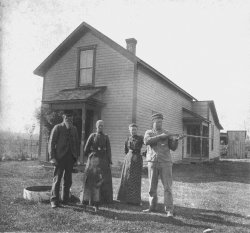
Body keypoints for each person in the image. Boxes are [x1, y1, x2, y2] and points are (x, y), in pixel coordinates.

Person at [143, 113, 182, 217]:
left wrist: (176, 141)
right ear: (153, 122)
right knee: (152, 186)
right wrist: (160, 137)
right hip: (152, 162)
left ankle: (169, 209)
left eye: (161, 121)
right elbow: (147, 141)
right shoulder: (149, 132)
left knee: (168, 187)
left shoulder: (167, 133)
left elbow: (173, 148)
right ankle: (152, 206)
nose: (159, 123)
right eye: (157, 121)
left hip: (165, 162)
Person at [48, 110, 79, 208]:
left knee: (68, 180)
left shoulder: (74, 129)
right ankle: (54, 201)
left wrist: (76, 157)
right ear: (64, 118)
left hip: (70, 158)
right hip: (59, 158)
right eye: (67, 119)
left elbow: (76, 144)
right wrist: (52, 157)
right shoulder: (58, 128)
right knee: (57, 180)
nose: (69, 121)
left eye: (71, 119)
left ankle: (65, 199)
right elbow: (51, 143)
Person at [83, 120, 113, 204]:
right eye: (99, 125)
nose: (100, 127)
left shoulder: (106, 137)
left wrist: (109, 161)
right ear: (96, 126)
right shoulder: (92, 136)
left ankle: (104, 199)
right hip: (94, 161)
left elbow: (109, 150)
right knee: (92, 178)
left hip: (103, 160)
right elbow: (86, 149)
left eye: (102, 126)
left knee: (103, 178)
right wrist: (92, 156)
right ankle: (90, 199)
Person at [117, 123, 144, 205]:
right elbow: (125, 150)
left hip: (137, 160)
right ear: (129, 130)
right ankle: (125, 198)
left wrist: (144, 153)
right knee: (127, 178)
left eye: (135, 129)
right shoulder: (128, 138)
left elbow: (148, 145)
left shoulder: (141, 138)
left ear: (137, 130)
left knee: (135, 179)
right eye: (132, 130)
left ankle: (134, 200)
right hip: (128, 160)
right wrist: (128, 157)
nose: (133, 131)